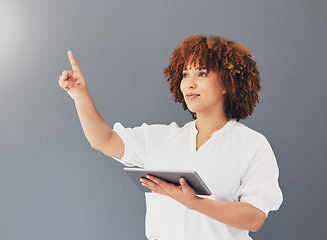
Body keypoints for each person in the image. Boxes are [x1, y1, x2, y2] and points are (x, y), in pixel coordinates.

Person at [58, 35, 283, 240]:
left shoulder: (252, 145)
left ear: (226, 82)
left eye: (201, 73)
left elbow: (254, 218)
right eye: (185, 74)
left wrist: (193, 202)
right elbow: (103, 140)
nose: (189, 83)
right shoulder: (160, 138)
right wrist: (80, 97)